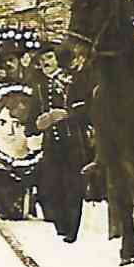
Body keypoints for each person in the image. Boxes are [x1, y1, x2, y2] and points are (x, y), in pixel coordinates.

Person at [32, 42, 86, 242]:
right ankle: (61, 225)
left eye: (49, 58)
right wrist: (38, 123)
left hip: (72, 142)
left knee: (72, 187)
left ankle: (72, 229)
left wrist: (66, 114)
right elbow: (31, 120)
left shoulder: (73, 81)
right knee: (51, 187)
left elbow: (86, 110)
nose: (46, 62)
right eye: (42, 60)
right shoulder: (38, 87)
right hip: (51, 145)